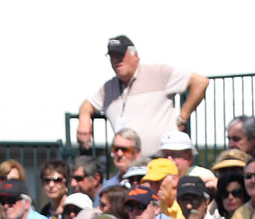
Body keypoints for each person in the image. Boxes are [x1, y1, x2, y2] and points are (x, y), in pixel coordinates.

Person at [76, 36, 208, 154]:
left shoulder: (157, 73)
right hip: (129, 166)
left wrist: (182, 117)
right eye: (113, 56)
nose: (117, 60)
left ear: (135, 56)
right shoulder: (108, 88)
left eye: (121, 55)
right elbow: (87, 104)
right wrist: (84, 118)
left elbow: (200, 82)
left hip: (162, 163)